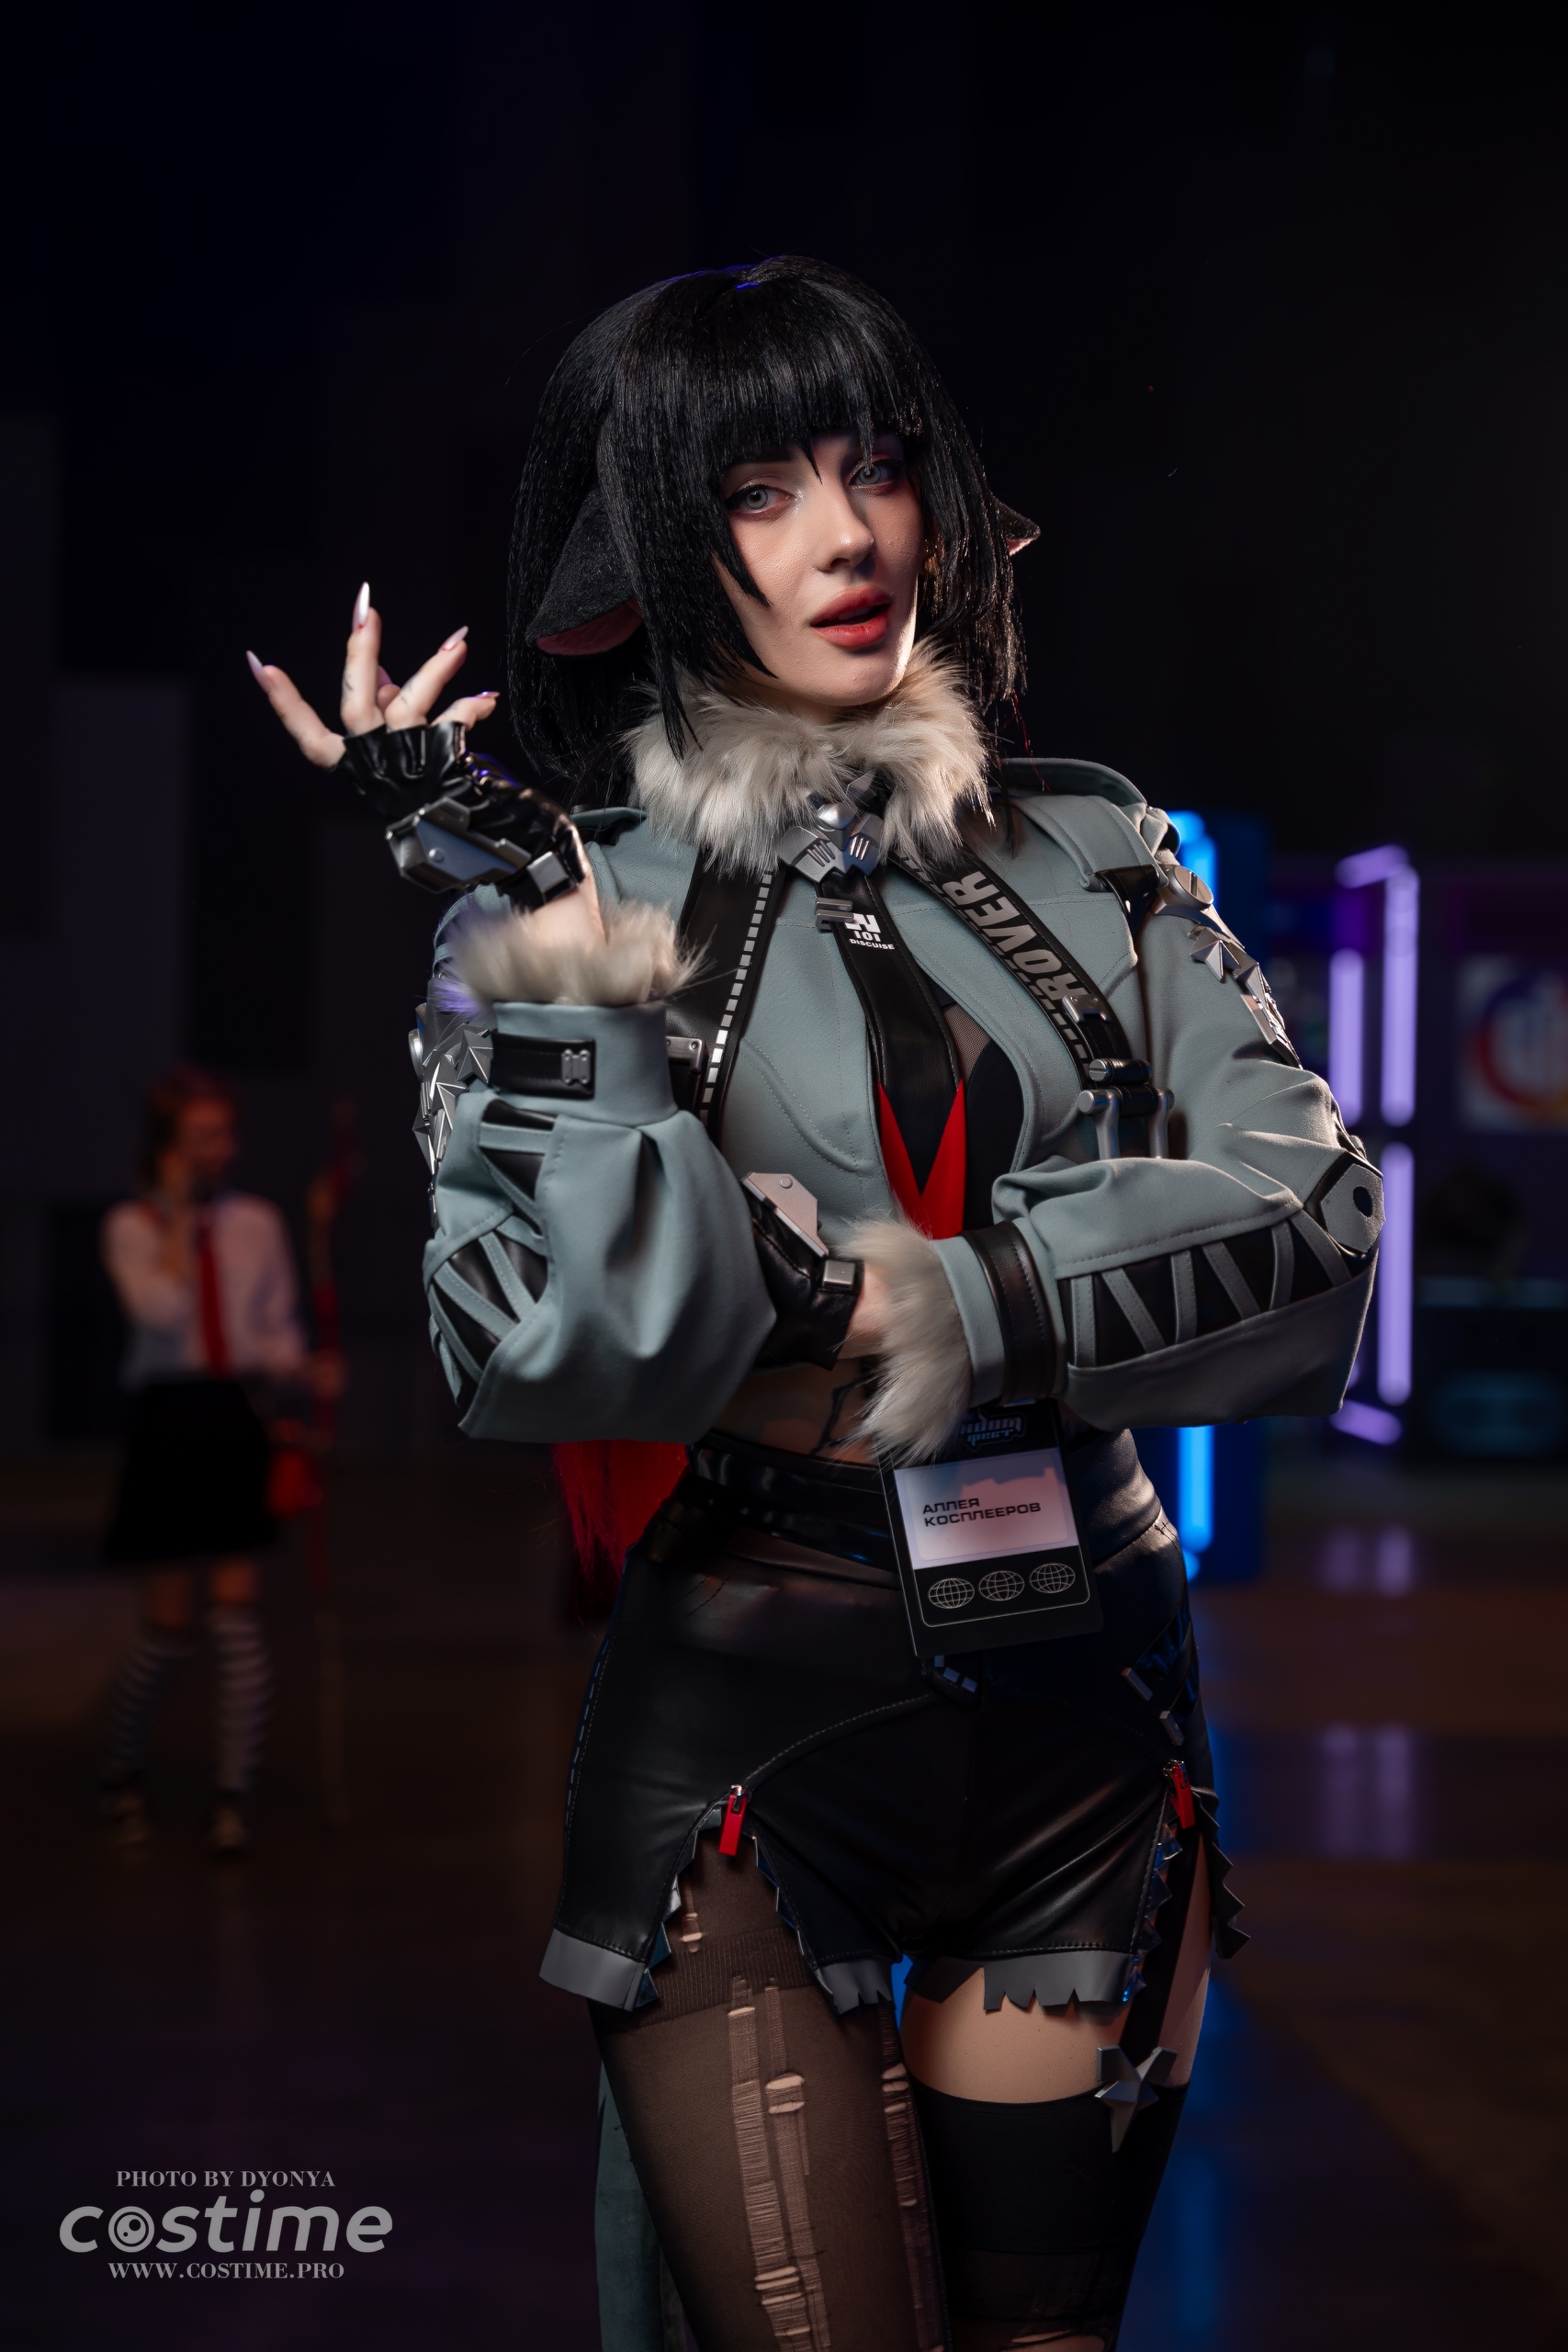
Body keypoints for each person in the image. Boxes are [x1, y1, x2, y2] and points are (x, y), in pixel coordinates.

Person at [251, 258, 1381, 2350]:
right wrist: (550, 947)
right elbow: (557, 1335)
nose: (846, 536)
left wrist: (903, 1293)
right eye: (759, 492)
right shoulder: (582, 895)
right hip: (755, 1731)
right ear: (651, 555)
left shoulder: (1099, 847)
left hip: (1096, 1699)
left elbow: (1309, 1225)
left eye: (874, 467)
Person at [99, 1068, 321, 1853]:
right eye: (202, 1137)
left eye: (225, 1134)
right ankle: (122, 1771)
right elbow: (161, 1312)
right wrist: (177, 1219)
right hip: (168, 1418)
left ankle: (234, 1793)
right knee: (166, 1629)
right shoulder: (130, 1227)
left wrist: (303, 1367)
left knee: (236, 1622)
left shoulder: (256, 1221)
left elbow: (273, 1326)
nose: (219, 1150)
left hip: (235, 1415)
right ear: (166, 1147)